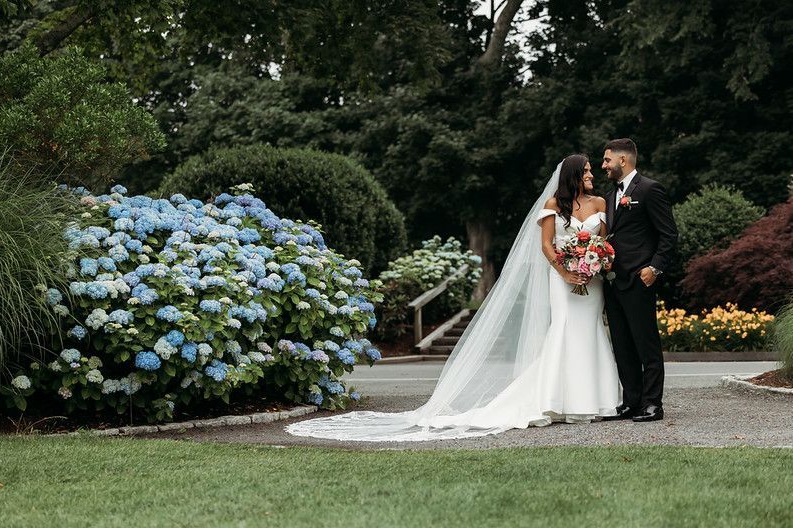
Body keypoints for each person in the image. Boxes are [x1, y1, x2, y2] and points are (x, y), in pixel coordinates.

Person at [285, 155, 619, 442]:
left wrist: (595, 262)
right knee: (563, 331)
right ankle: (558, 400)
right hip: (562, 280)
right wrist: (565, 271)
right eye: (587, 171)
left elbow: (601, 243)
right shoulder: (552, 206)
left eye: (592, 170)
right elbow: (546, 246)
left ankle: (597, 401)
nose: (591, 175)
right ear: (574, 175)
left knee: (590, 332)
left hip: (591, 282)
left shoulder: (600, 204)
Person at [601, 138, 678, 422]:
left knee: (647, 345)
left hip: (639, 279)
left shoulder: (649, 189)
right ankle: (631, 402)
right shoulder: (610, 196)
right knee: (622, 345)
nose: (603, 165)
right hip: (612, 281)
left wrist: (654, 268)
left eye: (607, 160)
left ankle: (652, 404)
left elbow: (668, 235)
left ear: (623, 160)